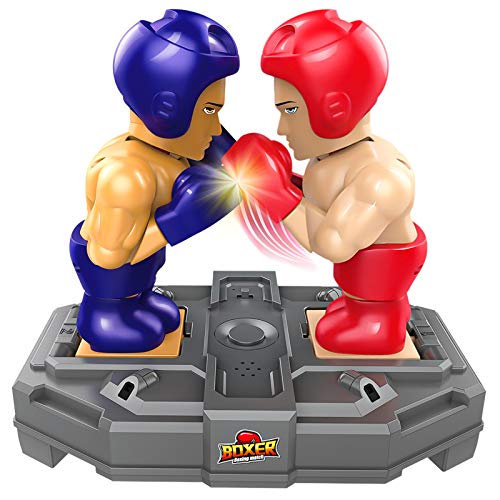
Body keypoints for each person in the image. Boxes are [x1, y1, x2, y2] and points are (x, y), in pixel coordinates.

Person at [223, 10, 426, 355]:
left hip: (378, 296)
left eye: (290, 110)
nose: (281, 128)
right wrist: (281, 177)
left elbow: (332, 243)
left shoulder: (380, 178)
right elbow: (323, 202)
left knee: (336, 332)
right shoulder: (336, 157)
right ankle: (357, 309)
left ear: (333, 108)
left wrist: (275, 191)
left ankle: (379, 323)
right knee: (337, 317)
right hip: (356, 289)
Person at [70, 9, 241, 353]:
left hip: (140, 281)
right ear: (167, 110)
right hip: (109, 294)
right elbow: (108, 257)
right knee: (139, 324)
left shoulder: (170, 152)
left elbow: (234, 173)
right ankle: (109, 315)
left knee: (157, 314)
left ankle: (140, 299)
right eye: (209, 110)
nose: (215, 127)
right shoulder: (127, 176)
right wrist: (179, 220)